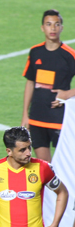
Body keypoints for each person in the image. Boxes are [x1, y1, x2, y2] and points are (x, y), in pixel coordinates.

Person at [21, 9, 75, 162]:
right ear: (42, 27)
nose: (53, 28)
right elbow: (30, 82)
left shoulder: (69, 55)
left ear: (62, 28)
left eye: (56, 24)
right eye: (49, 24)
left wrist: (68, 94)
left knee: (66, 163)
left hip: (59, 118)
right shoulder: (35, 52)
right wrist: (25, 114)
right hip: (37, 117)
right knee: (45, 167)